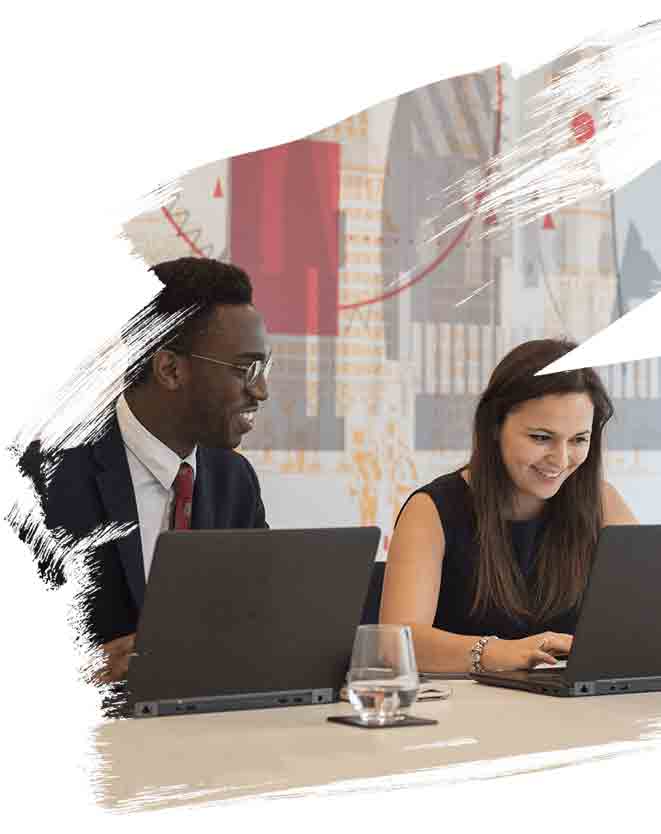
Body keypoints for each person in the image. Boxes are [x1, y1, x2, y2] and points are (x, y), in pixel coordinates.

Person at [17, 257, 271, 682]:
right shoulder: (41, 477)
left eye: (263, 369)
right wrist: (87, 667)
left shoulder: (234, 480)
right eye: (245, 369)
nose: (260, 391)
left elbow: (258, 623)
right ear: (170, 369)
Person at [380, 338, 637, 675]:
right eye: (541, 438)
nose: (560, 460)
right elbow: (394, 645)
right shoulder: (431, 509)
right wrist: (495, 652)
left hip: (580, 714)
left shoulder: (603, 502)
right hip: (466, 718)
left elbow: (645, 612)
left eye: (578, 439)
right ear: (495, 427)